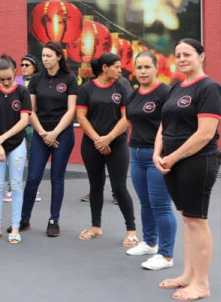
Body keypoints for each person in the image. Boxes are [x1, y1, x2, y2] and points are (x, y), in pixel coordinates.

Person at [155, 39, 219, 301]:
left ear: (201, 56)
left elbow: (205, 134)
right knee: (187, 219)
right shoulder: (176, 88)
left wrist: (172, 157)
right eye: (178, 55)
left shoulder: (209, 88)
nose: (181, 58)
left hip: (197, 161)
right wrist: (157, 153)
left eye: (188, 54)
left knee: (197, 220)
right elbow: (164, 125)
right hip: (172, 162)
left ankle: (201, 284)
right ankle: (188, 275)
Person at [17, 41, 77, 237]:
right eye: (43, 56)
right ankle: (24, 219)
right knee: (33, 177)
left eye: (49, 55)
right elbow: (29, 110)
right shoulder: (36, 79)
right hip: (41, 133)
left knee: (57, 177)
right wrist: (43, 132)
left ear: (59, 56)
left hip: (63, 134)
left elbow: (71, 111)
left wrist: (55, 133)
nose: (45, 59)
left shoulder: (69, 79)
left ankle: (54, 220)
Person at [75, 53, 137, 245]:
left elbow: (125, 118)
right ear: (105, 68)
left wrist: (108, 139)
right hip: (91, 145)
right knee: (96, 185)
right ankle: (96, 227)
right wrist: (97, 140)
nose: (120, 70)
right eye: (116, 66)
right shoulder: (86, 89)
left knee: (119, 188)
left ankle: (131, 230)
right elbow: (81, 117)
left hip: (116, 144)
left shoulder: (122, 87)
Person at [125, 51, 176, 270]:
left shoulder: (165, 93)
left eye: (147, 67)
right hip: (136, 155)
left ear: (156, 68)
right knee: (145, 203)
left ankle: (166, 255)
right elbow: (130, 121)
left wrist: (165, 154)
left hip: (157, 157)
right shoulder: (134, 94)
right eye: (139, 68)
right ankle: (150, 243)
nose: (143, 71)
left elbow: (172, 126)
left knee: (161, 206)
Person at [0, 55, 31, 244]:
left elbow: (24, 121)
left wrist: (2, 139)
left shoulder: (22, 92)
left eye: (8, 78)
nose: (5, 82)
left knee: (17, 184)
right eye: (1, 79)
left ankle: (15, 226)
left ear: (14, 73)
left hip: (17, 143)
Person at [8, 54, 40, 203]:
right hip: (18, 125)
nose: (24, 67)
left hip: (34, 125)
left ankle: (34, 189)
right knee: (16, 157)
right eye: (22, 65)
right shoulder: (16, 81)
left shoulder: (40, 81)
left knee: (34, 158)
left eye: (27, 65)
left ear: (34, 67)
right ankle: (11, 188)